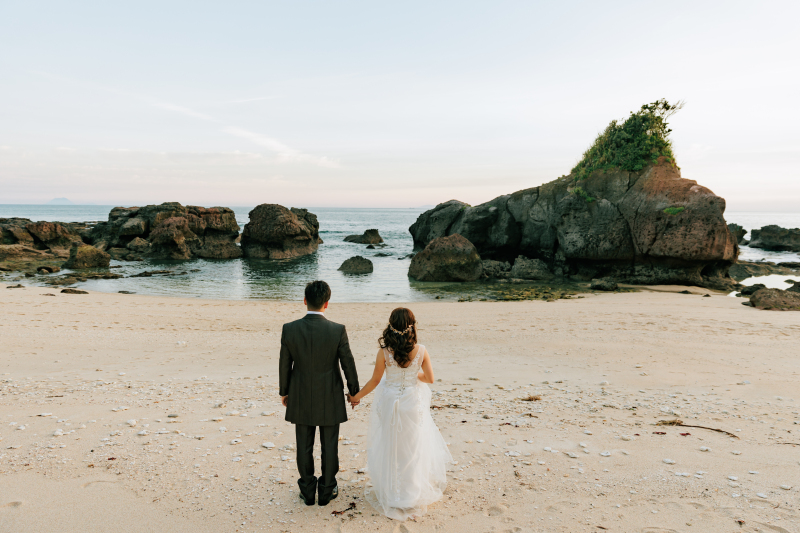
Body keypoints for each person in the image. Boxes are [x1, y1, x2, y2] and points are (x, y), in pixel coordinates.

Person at [347, 307, 452, 521]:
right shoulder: (421, 350)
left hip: (389, 402)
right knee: (413, 448)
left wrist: (356, 396)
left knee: (391, 445)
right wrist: (413, 375)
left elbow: (375, 381)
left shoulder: (384, 352)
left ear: (391, 326)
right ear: (412, 326)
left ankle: (392, 494)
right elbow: (430, 379)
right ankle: (411, 494)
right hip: (412, 403)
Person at [279, 280, 360, 506]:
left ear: (305, 301)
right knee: (329, 444)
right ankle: (326, 490)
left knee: (303, 444)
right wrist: (355, 392)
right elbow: (348, 363)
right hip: (330, 394)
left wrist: (284, 391)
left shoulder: (290, 329)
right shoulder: (337, 330)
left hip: (301, 393)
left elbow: (284, 363)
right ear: (327, 303)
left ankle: (307, 491)